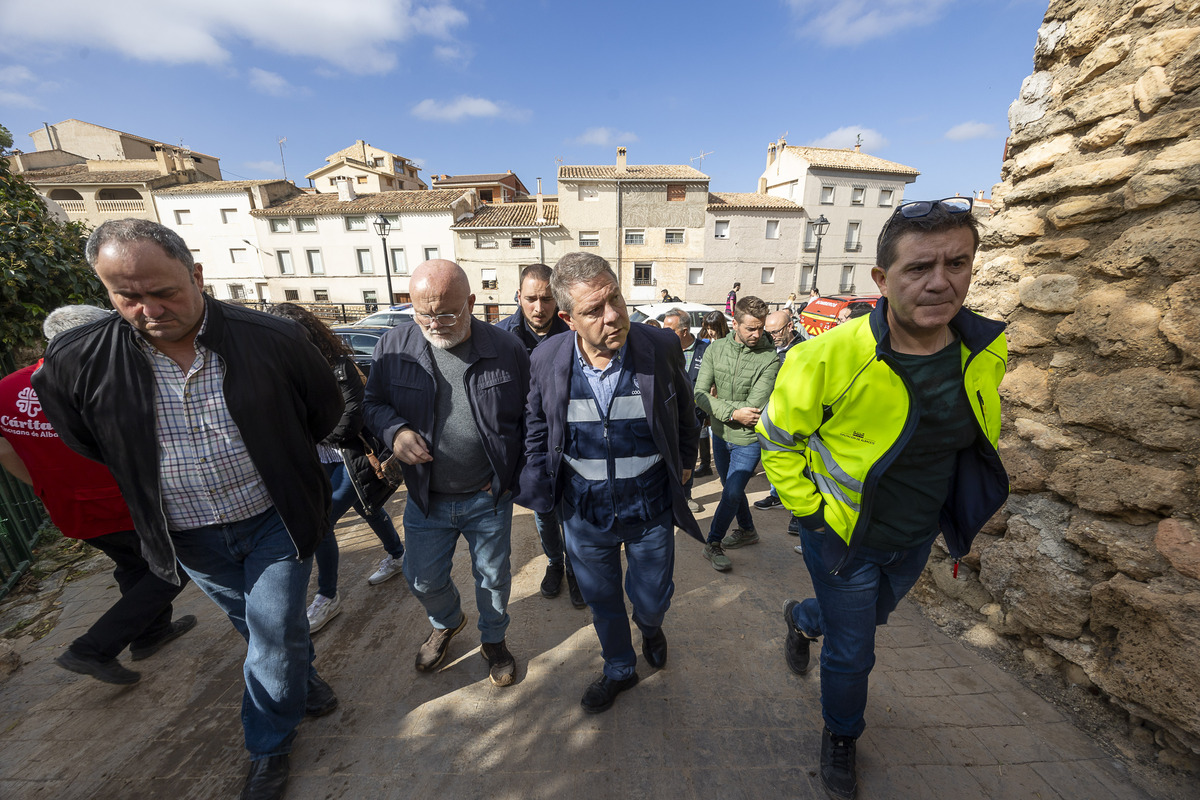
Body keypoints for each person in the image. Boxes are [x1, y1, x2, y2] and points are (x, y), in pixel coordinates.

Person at [33, 219, 344, 800]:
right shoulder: (79, 358)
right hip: (188, 536)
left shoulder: (270, 338)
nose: (148, 309)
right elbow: (84, 436)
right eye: (127, 296)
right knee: (255, 627)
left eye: (164, 291)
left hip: (275, 519)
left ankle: (269, 749)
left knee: (274, 629)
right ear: (106, 291)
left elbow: (321, 412)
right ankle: (305, 682)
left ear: (196, 276)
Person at [758, 197, 1008, 800]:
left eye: (957, 264)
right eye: (919, 267)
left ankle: (801, 616)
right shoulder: (826, 355)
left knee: (866, 621)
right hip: (841, 538)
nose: (940, 282)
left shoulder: (984, 351)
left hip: (915, 537)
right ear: (881, 279)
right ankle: (841, 735)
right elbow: (777, 439)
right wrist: (811, 513)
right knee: (855, 651)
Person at [518, 252, 701, 713]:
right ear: (568, 318)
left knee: (653, 596)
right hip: (583, 512)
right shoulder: (546, 357)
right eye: (594, 310)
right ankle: (620, 668)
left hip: (650, 506)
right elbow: (537, 425)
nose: (614, 316)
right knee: (602, 602)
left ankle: (652, 625)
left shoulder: (659, 346)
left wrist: (686, 461)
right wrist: (542, 482)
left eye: (615, 298)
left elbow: (683, 410)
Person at [0, 305, 196, 686]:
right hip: (123, 505)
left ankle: (152, 633)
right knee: (178, 566)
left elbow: (5, 451)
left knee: (133, 566)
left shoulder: (7, 389)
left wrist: (44, 487)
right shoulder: (108, 383)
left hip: (69, 509)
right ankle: (93, 648)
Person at [363, 259, 529, 688]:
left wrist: (511, 473)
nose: (435, 323)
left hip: (487, 495)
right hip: (425, 497)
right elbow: (373, 404)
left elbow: (531, 417)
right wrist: (394, 430)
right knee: (421, 578)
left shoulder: (505, 348)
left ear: (472, 302)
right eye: (423, 313)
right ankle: (447, 622)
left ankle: (493, 640)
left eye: (447, 312)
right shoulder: (393, 348)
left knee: (493, 578)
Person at [265, 303, 405, 634]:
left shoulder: (338, 364)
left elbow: (348, 421)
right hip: (318, 460)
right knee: (367, 509)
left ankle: (327, 597)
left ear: (305, 332)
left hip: (350, 457)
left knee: (323, 523)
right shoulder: (281, 367)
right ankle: (398, 555)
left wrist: (304, 430)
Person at [494, 264, 583, 608]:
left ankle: (576, 569)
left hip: (569, 442)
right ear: (518, 296)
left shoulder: (575, 331)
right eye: (530, 298)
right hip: (527, 447)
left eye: (546, 298)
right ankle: (555, 563)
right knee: (543, 513)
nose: (538, 307)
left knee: (572, 513)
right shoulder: (501, 337)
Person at [693, 296, 780, 572]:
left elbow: (752, 409)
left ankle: (713, 543)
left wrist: (723, 408)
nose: (757, 334)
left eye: (761, 328)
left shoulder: (770, 359)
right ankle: (748, 530)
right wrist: (732, 413)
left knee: (731, 492)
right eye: (750, 328)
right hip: (720, 434)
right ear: (735, 324)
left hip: (748, 440)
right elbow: (699, 393)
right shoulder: (715, 349)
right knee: (732, 488)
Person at [660, 308, 710, 514]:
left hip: (694, 415)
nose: (664, 335)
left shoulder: (704, 351)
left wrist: (707, 412)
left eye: (669, 330)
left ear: (684, 331)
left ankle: (686, 496)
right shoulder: (661, 351)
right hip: (666, 414)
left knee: (688, 455)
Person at [754, 309, 802, 516]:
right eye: (769, 332)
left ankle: (797, 512)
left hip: (794, 416)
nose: (772, 336)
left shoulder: (804, 350)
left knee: (796, 463)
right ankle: (776, 495)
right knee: (773, 458)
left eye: (776, 332)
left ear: (790, 326)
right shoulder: (768, 347)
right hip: (770, 413)